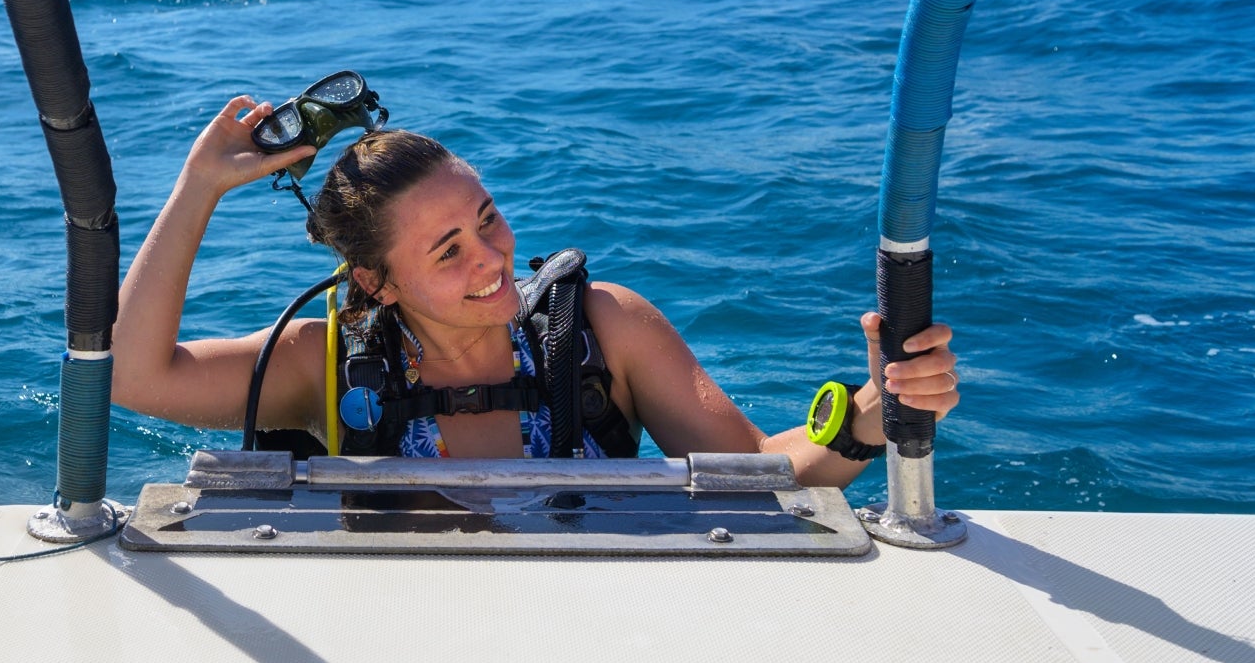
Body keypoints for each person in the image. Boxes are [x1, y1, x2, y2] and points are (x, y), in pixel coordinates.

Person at [113, 96, 960, 487]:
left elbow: (761, 476)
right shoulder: (325, 360)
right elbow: (135, 376)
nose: (491, 258)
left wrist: (871, 416)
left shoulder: (603, 328)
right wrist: (196, 190)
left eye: (488, 219)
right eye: (448, 251)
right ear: (377, 282)